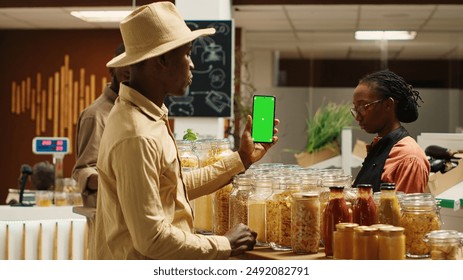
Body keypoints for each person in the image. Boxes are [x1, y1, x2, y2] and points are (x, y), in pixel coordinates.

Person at [93, 2, 279, 260]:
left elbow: (172, 187)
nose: (192, 64)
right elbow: (152, 239)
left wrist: (242, 159)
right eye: (187, 54)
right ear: (163, 60)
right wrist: (224, 244)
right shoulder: (137, 134)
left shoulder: (146, 116)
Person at [351, 69, 430, 193]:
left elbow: (403, 212)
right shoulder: (380, 145)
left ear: (388, 105)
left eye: (363, 107)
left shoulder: (409, 157)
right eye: (356, 109)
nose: (357, 116)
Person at [72, 43, 130, 208]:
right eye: (126, 74)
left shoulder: (136, 109)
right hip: (108, 215)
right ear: (112, 71)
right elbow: (83, 170)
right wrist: (120, 180)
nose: (132, 81)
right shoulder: (95, 115)